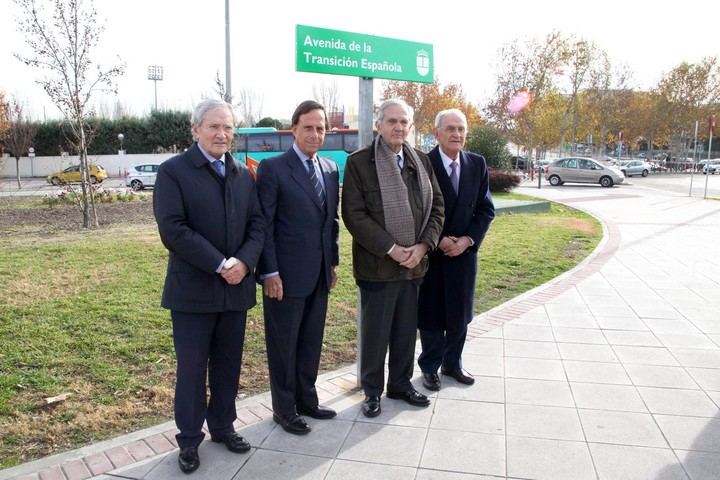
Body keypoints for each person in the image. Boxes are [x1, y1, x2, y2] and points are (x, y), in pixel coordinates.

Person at [153, 99, 265, 474]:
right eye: (214, 127)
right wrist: (220, 264)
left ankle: (223, 426)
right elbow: (173, 229)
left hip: (236, 290)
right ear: (195, 128)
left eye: (228, 127)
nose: (222, 134)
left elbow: (257, 226)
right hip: (193, 293)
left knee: (228, 367)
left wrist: (245, 262)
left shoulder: (243, 174)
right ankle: (188, 440)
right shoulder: (174, 172)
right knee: (192, 370)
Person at [342, 98, 444, 417]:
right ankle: (373, 392)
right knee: (376, 335)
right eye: (392, 121)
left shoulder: (422, 162)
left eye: (404, 122)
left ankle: (400, 384)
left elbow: (437, 207)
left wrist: (423, 246)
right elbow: (354, 215)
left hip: (415, 266)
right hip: (378, 268)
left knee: (404, 331)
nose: (398, 127)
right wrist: (392, 248)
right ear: (378, 125)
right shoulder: (359, 163)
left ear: (410, 127)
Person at [256, 100, 340, 435]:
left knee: (310, 341)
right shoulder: (273, 169)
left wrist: (331, 262)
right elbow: (264, 225)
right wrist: (270, 272)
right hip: (285, 277)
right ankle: (284, 409)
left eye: (320, 128)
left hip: (319, 273)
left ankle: (307, 399)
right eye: (308, 127)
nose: (315, 134)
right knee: (284, 344)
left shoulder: (330, 169)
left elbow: (331, 222)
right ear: (294, 129)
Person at [418, 109, 495, 391]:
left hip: (463, 256)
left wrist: (467, 241)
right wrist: (437, 240)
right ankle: (430, 367)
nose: (456, 134)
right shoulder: (423, 163)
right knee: (431, 313)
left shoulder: (477, 163)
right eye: (450, 128)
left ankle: (453, 364)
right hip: (432, 254)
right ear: (436, 133)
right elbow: (417, 210)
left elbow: (486, 210)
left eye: (461, 129)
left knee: (460, 313)